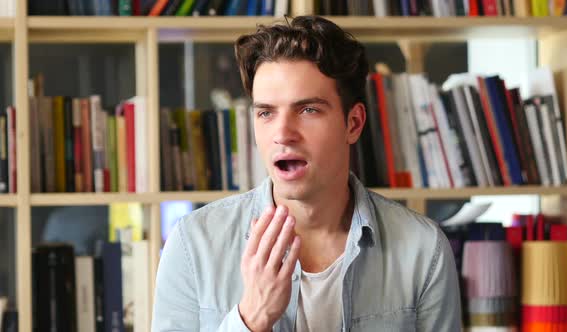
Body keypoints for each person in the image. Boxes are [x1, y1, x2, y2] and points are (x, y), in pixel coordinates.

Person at [152, 15, 461, 332]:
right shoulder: (193, 244)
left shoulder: (424, 248)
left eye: (308, 110)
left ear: (352, 124)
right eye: (266, 113)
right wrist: (251, 318)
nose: (283, 133)